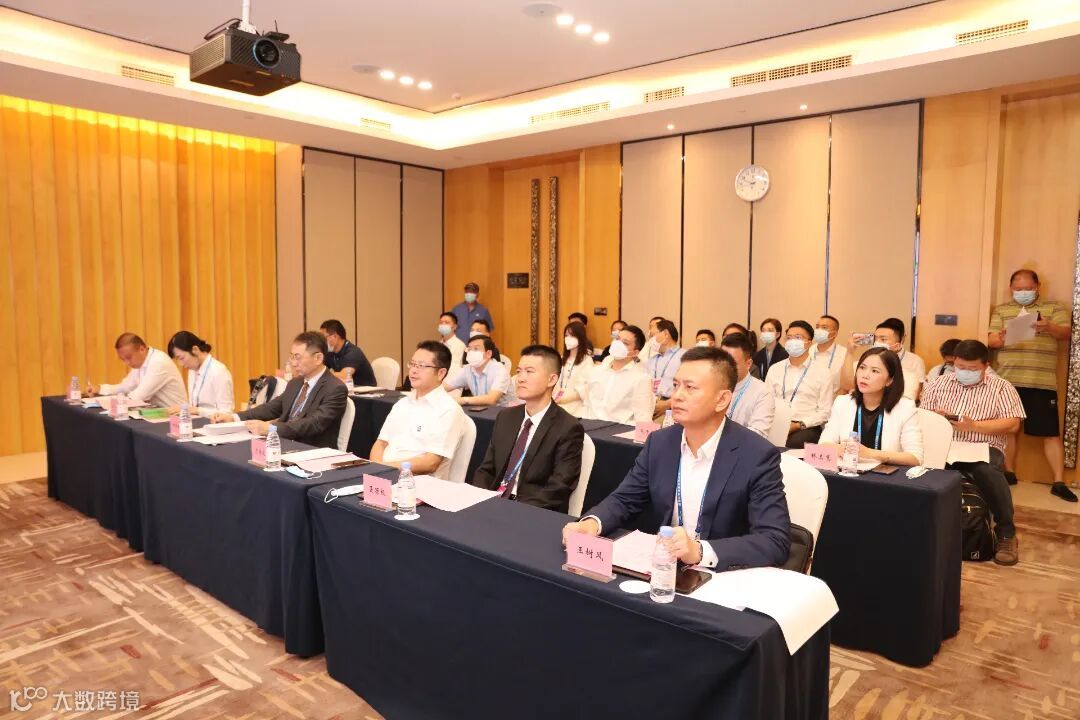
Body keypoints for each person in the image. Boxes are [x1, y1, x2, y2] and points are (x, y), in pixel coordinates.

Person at [562, 347, 791, 570]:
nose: (677, 396)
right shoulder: (660, 443)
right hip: (664, 567)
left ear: (722, 400)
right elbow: (625, 499)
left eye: (690, 387)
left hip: (721, 573)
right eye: (676, 385)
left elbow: (774, 540)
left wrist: (699, 551)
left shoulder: (756, 455)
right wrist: (592, 523)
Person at [920, 340, 1023, 565]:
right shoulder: (938, 384)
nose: (965, 372)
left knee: (986, 471)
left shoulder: (1001, 387)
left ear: (986, 365)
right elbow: (922, 417)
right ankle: (921, 528)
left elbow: (1013, 423)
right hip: (944, 446)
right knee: (918, 470)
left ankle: (1006, 533)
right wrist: (937, 418)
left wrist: (974, 426)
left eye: (972, 369)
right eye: (960, 367)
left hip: (983, 447)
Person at [988, 269, 1076, 502]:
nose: (1023, 292)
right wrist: (1002, 336)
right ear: (1010, 289)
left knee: (1050, 433)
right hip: (1007, 381)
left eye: (1028, 288)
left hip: (1041, 381)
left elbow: (1066, 333)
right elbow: (990, 340)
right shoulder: (1001, 310)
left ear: (1038, 287)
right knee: (1008, 429)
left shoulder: (1054, 308)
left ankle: (1058, 482)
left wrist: (1048, 327)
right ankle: (1009, 473)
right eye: (1018, 289)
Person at [472, 345, 585, 512]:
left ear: (551, 379)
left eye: (529, 372)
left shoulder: (568, 428)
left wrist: (514, 510)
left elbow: (559, 487)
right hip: (493, 503)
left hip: (532, 511)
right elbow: (486, 469)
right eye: (519, 371)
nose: (520, 378)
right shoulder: (506, 417)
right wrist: (478, 499)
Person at [214, 331, 347, 448]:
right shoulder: (295, 383)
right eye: (292, 356)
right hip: (283, 444)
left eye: (298, 357)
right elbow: (272, 408)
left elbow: (313, 424)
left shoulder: (335, 389)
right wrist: (234, 417)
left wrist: (271, 428)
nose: (293, 363)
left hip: (312, 450)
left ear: (318, 358)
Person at [370, 341, 467, 480]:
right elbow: (381, 443)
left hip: (417, 483)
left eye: (421, 366)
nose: (413, 371)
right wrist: (376, 469)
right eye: (413, 364)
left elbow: (430, 463)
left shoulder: (448, 410)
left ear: (441, 373)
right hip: (385, 476)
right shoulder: (402, 404)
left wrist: (386, 468)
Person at [819, 348, 923, 466]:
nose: (865, 375)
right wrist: (840, 449)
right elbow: (823, 444)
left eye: (874, 371)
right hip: (848, 471)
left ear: (889, 380)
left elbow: (915, 458)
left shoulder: (905, 408)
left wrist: (869, 453)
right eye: (862, 368)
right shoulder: (842, 403)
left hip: (884, 474)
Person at [764, 320, 834, 448]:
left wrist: (798, 425)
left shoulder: (823, 372)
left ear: (809, 342)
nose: (792, 341)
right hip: (777, 422)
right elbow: (767, 402)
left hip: (806, 426)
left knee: (792, 443)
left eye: (798, 337)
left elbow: (825, 412)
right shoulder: (775, 369)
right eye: (789, 338)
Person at [87, 332, 186, 408]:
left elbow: (138, 396)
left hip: (177, 417)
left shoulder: (159, 362)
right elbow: (125, 387)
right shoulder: (141, 362)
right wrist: (100, 389)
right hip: (160, 414)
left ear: (142, 349)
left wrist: (108, 402)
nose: (127, 363)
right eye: (123, 359)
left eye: (129, 357)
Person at [581, 325, 654, 425]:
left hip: (617, 430)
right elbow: (587, 405)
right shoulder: (597, 371)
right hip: (589, 427)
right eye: (617, 339)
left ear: (635, 353)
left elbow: (644, 419)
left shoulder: (640, 378)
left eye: (625, 343)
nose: (618, 344)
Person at [840, 318, 926, 401]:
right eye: (875, 339)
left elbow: (915, 395)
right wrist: (850, 352)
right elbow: (847, 387)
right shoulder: (866, 360)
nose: (877, 342)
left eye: (883, 339)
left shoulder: (913, 367)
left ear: (898, 344)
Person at [166, 330, 234, 416]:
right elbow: (194, 406)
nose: (181, 364)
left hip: (214, 423)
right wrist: (183, 408)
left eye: (182, 358)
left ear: (195, 349)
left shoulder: (218, 371)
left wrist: (198, 411)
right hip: (197, 421)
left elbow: (226, 413)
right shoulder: (192, 370)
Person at [719, 332, 774, 438]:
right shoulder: (712, 384)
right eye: (722, 361)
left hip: (739, 445)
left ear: (748, 364)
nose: (725, 367)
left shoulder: (762, 392)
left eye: (732, 363)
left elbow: (757, 434)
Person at [444, 335, 512, 407]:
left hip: (503, 410)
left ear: (488, 353)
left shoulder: (500, 370)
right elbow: (446, 387)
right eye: (469, 349)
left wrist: (463, 400)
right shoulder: (467, 369)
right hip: (480, 410)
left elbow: (492, 399)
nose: (471, 352)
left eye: (476, 349)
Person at [553, 321, 596, 417]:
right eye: (566, 335)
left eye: (572, 335)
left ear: (580, 338)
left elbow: (586, 387)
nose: (567, 339)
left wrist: (567, 398)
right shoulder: (561, 358)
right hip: (558, 402)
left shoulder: (587, 360)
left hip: (576, 406)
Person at [646, 319, 686, 420]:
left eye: (652, 335)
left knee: (666, 430)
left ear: (665, 334)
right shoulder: (651, 361)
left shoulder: (685, 356)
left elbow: (691, 387)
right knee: (643, 430)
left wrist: (668, 403)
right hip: (649, 408)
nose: (650, 340)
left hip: (674, 407)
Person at [319, 319, 376, 387]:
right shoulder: (330, 353)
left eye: (323, 338)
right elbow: (319, 368)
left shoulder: (353, 352)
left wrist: (321, 373)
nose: (321, 341)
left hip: (365, 391)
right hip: (347, 389)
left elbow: (345, 376)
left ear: (335, 336)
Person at [810, 314, 847, 393]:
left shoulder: (844, 354)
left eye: (824, 328)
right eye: (817, 327)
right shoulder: (807, 351)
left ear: (834, 334)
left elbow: (846, 387)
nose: (819, 330)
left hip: (833, 398)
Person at [437, 311, 467, 378]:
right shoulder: (438, 344)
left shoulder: (460, 345)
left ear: (455, 327)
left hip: (452, 381)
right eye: (441, 322)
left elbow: (456, 369)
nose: (443, 325)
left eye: (447, 322)